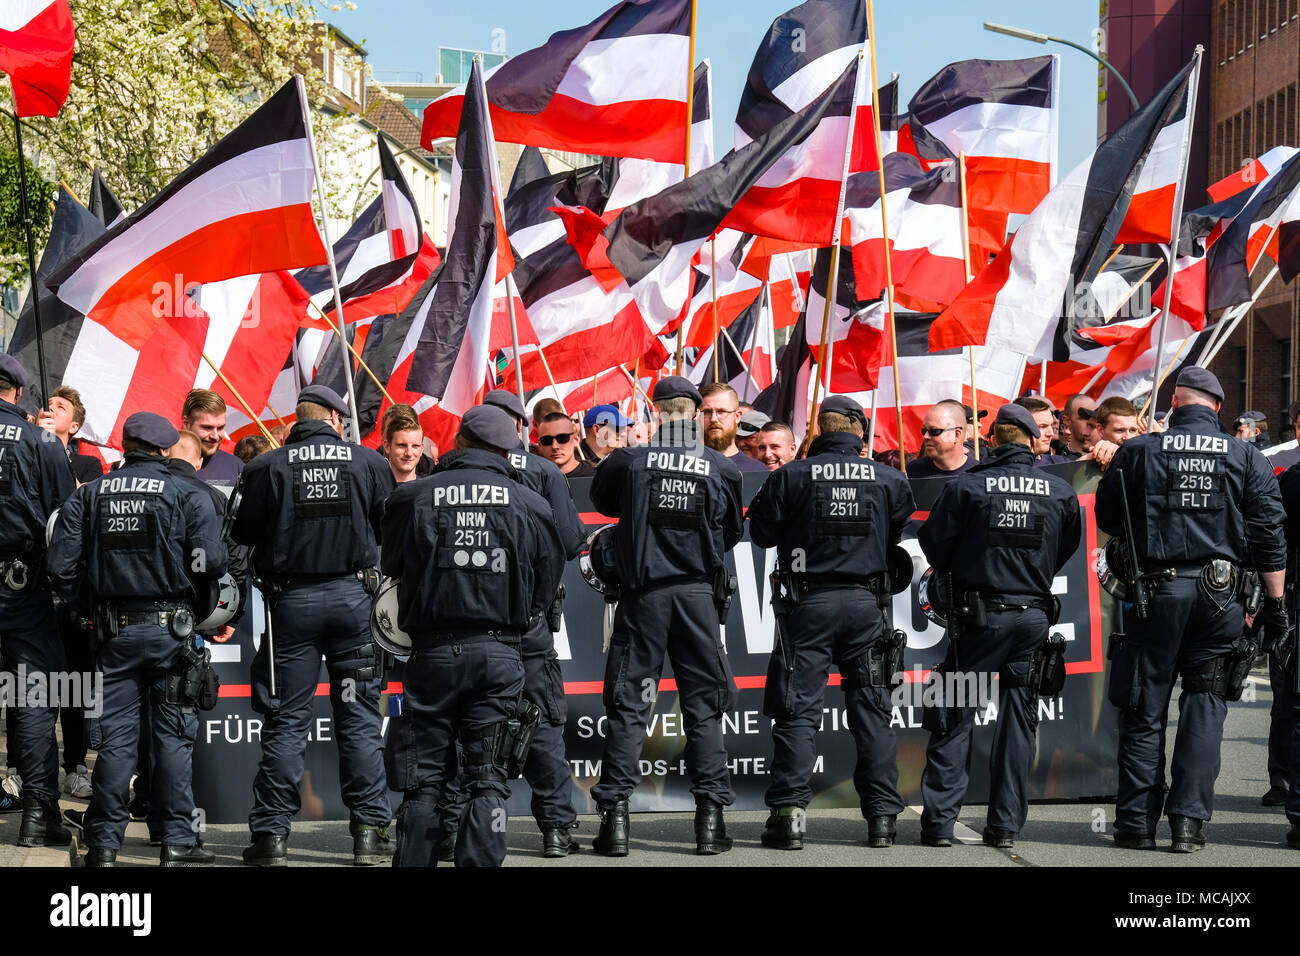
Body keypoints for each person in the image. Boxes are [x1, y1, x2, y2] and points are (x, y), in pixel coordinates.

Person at [1095, 367, 1288, 852]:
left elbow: (1108, 518)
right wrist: (1276, 603)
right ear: (1218, 408)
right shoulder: (1246, 455)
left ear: (1174, 404)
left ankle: (1136, 825)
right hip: (1221, 597)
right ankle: (1187, 824)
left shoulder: (1138, 451)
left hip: (1153, 594)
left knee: (1143, 707)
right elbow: (1269, 535)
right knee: (1206, 705)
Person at [383, 405, 565, 867]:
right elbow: (547, 582)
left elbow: (391, 570)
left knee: (424, 779)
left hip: (432, 653)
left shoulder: (413, 497)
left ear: (459, 443)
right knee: (488, 776)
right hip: (500, 653)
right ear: (506, 451)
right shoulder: (530, 502)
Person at [47, 411, 228, 866]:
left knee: (116, 743)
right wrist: (194, 611)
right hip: (173, 632)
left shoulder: (88, 496)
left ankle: (104, 847)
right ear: (166, 450)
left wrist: (87, 612)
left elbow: (61, 568)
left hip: (116, 633)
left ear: (125, 446)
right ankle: (177, 843)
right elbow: (213, 564)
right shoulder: (188, 493)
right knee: (172, 739)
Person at [231, 384, 397, 867]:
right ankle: (369, 832)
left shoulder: (266, 466)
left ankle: (270, 839)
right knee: (360, 721)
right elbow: (392, 527)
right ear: (332, 418)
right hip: (354, 603)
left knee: (286, 722)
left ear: (297, 421)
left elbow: (243, 535)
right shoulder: (366, 462)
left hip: (293, 606)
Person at [747, 396, 915, 849]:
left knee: (798, 713)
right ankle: (881, 819)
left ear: (819, 430)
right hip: (865, 606)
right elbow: (894, 534)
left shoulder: (790, 476)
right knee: (873, 713)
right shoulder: (890, 478)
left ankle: (788, 819)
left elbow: (760, 533)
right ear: (860, 431)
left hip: (808, 607)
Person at [588, 376, 744, 857]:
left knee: (630, 708)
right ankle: (710, 822)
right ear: (695, 416)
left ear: (655, 412)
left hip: (644, 599)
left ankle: (615, 823)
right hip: (696, 598)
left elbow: (603, 504)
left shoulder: (628, 461)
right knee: (703, 708)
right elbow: (732, 533)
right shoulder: (720, 466)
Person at [917, 404, 1082, 849]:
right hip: (1031, 616)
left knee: (954, 712)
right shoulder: (1059, 492)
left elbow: (934, 545)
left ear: (992, 441)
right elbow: (1066, 546)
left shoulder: (968, 486)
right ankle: (1006, 826)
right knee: (1018, 722)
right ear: (1030, 441)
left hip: (978, 619)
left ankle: (938, 825)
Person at [481, 389, 587, 856]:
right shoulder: (543, 471)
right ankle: (557, 831)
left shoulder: (445, 474)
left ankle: (461, 829)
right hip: (527, 622)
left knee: (470, 728)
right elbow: (569, 541)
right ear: (519, 428)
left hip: (464, 626)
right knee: (540, 725)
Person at [0, 355, 75, 848]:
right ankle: (37, 812)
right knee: (32, 696)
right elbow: (65, 521)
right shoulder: (41, 441)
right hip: (21, 584)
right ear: (19, 394)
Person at [37, 385, 104, 485]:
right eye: (48, 404)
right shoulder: (21, 446)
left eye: (61, 407)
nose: (50, 408)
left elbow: (82, 497)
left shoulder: (89, 465)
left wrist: (53, 447)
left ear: (73, 427)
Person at [182, 389, 243, 494]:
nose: (215, 436)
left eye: (220, 428)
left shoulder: (237, 468)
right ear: (186, 424)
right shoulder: (163, 463)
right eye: (207, 427)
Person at [699, 383, 769, 473]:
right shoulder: (682, 466)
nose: (713, 419)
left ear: (737, 417)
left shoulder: (758, 471)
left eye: (721, 411)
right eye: (707, 412)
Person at [908, 400, 975, 481]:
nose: (926, 436)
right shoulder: (913, 471)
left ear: (956, 435)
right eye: (923, 431)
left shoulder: (978, 474)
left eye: (934, 431)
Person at [1084, 396, 1141, 471]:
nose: (1128, 437)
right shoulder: (1088, 462)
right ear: (1100, 430)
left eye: (1132, 430)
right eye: (1120, 430)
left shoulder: (1143, 460)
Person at [1013, 396, 1070, 467]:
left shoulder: (1062, 464)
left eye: (1051, 425)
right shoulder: (998, 467)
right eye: (1042, 426)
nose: (1050, 434)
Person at [535, 411, 595, 478]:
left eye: (562, 438)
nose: (555, 446)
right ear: (540, 445)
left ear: (576, 440)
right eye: (546, 440)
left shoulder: (596, 475)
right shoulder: (532, 480)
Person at [382, 410, 424, 484]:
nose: (409, 453)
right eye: (402, 445)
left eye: (415, 446)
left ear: (421, 449)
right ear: (387, 446)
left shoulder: (431, 490)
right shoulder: (371, 490)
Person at [1061, 394, 1097, 459]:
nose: (1091, 422)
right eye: (1084, 417)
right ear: (1067, 421)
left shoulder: (1106, 458)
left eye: (1094, 417)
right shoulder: (1056, 461)